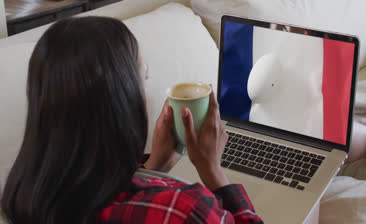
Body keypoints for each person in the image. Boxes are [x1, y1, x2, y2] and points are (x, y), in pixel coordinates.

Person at [0, 17, 263, 224]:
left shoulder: (24, 196)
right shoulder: (184, 209)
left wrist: (153, 167)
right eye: (143, 78)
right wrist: (213, 171)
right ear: (122, 100)